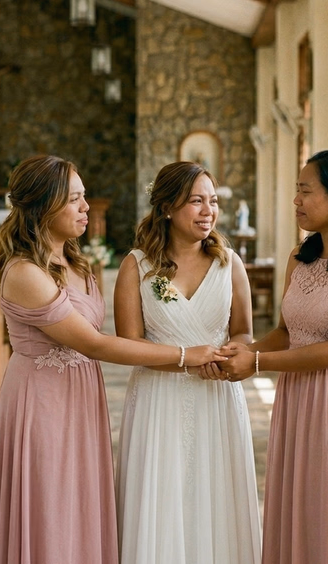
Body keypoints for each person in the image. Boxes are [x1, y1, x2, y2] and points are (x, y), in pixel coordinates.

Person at [0, 155, 225, 564]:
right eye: (74, 199)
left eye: (83, 197)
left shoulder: (75, 262)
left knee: (80, 497)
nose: (85, 207)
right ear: (44, 205)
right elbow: (95, 344)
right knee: (49, 502)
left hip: (81, 396)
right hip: (42, 400)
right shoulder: (25, 272)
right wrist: (186, 354)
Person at [219, 150, 328, 564]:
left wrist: (257, 366)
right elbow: (286, 332)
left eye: (305, 191)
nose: (296, 201)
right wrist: (245, 350)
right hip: (297, 394)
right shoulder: (299, 259)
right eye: (296, 192)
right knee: (300, 499)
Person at [114, 161, 261, 564]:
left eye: (212, 201)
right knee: (161, 499)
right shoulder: (137, 267)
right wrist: (184, 359)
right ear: (166, 207)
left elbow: (243, 333)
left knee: (216, 497)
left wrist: (232, 354)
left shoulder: (229, 264)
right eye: (196, 201)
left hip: (217, 399)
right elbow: (129, 344)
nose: (208, 211)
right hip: (158, 401)